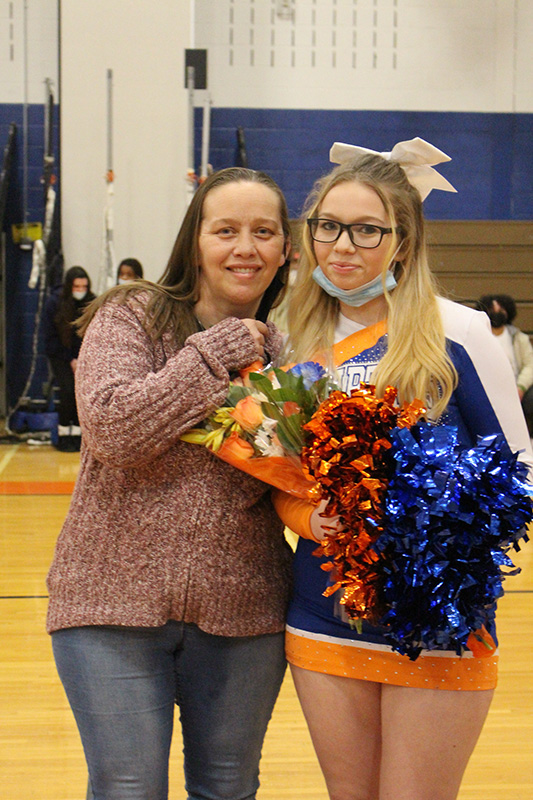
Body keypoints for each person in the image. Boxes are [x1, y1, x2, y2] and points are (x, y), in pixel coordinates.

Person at [271, 139, 533, 800]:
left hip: (439, 621)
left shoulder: (460, 332)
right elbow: (278, 480)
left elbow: (520, 469)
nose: (343, 245)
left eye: (367, 229)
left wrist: (441, 522)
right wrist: (313, 517)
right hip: (324, 611)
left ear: (402, 242)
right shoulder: (289, 338)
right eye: (328, 225)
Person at [46, 166, 293, 800]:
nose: (246, 247)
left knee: (228, 787)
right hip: (108, 607)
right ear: (194, 241)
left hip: (244, 612)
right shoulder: (132, 314)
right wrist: (222, 350)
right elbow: (113, 430)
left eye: (264, 231)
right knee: (128, 787)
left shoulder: (292, 350)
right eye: (226, 230)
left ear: (286, 249)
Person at [42, 265, 96, 451]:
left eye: (84, 287)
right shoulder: (54, 303)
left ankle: (81, 436)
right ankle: (64, 435)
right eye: (76, 287)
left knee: (83, 395)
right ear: (69, 287)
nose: (80, 291)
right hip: (60, 355)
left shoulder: (92, 302)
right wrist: (70, 359)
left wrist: (81, 358)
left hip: (85, 356)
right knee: (67, 392)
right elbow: (49, 338)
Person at [477, 293, 533, 438]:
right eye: (492, 309)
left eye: (501, 310)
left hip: (515, 387)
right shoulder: (477, 336)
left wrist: (520, 388)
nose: (496, 313)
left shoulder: (518, 338)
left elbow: (530, 365)